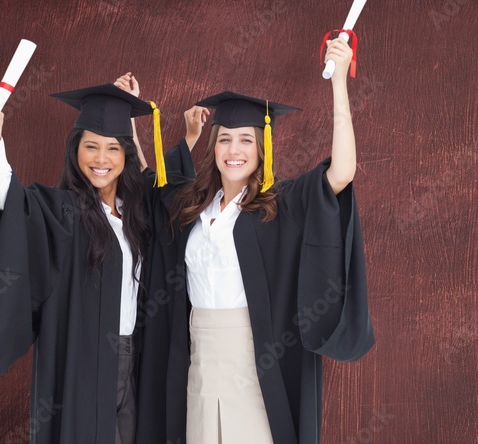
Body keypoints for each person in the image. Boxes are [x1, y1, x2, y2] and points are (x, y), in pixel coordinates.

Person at [136, 37, 375, 443]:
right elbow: (147, 184)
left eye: (246, 139)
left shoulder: (277, 204)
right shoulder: (192, 205)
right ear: (214, 146)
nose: (234, 150)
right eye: (225, 138)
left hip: (254, 359)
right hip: (197, 359)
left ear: (262, 147)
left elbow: (341, 173)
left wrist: (339, 85)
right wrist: (129, 118)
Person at [0, 80, 188, 443]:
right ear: (74, 150)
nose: (101, 159)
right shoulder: (64, 211)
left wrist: (129, 104)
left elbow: (163, 192)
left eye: (113, 148)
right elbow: (15, 203)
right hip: (84, 359)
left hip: (135, 359)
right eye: (91, 147)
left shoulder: (138, 215)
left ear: (125, 155)